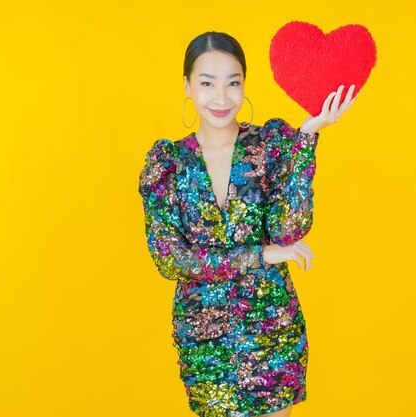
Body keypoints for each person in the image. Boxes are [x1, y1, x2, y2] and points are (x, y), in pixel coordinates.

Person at [138, 30, 356, 417]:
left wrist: (308, 136)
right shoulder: (168, 163)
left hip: (270, 328)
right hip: (206, 336)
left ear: (244, 85)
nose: (221, 97)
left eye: (233, 83)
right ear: (187, 85)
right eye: (207, 83)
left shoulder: (270, 144)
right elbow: (171, 260)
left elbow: (290, 229)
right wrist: (261, 254)